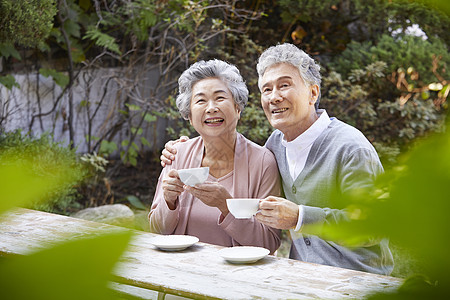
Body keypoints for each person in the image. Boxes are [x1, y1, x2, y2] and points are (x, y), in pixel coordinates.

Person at [160, 44, 394, 275]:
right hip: (301, 278)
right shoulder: (276, 145)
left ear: (313, 93)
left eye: (284, 85)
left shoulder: (350, 147)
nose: (274, 97)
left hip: (357, 280)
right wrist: (181, 147)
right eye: (267, 89)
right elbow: (237, 154)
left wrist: (300, 217)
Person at [149, 59, 281, 254]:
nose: (211, 108)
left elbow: (268, 243)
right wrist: (168, 201)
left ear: (238, 108)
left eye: (220, 98)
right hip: (181, 272)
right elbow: (156, 230)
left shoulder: (263, 162)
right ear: (190, 117)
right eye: (201, 100)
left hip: (238, 277)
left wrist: (226, 206)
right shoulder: (178, 155)